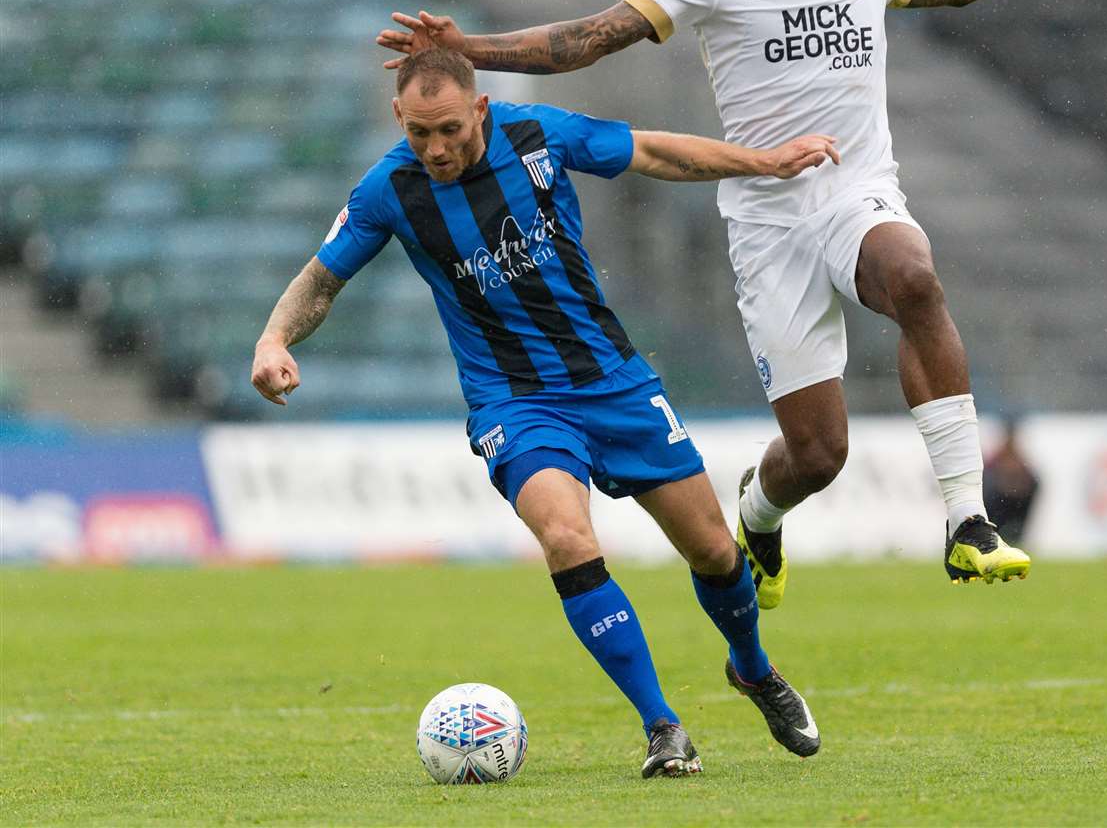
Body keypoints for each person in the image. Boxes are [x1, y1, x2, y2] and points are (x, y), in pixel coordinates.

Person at [377, 0, 1105, 593]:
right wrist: (469, 49)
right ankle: (760, 511)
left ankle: (967, 519)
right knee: (820, 455)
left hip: (855, 192)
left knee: (915, 278)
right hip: (766, 224)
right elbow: (589, 39)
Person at [251, 48, 839, 777]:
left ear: (482, 110)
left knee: (716, 553)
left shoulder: (542, 136)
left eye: (450, 131)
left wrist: (766, 161)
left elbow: (653, 150)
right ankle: (663, 727)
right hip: (515, 403)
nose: (435, 149)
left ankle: (751, 668)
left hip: (614, 382)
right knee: (566, 537)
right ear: (399, 117)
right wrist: (275, 337)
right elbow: (320, 278)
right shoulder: (387, 191)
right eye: (419, 132)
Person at [982, 418, 1040, 546]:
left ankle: (1014, 533)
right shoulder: (1002, 455)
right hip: (1001, 500)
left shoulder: (1015, 455)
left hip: (1012, 502)